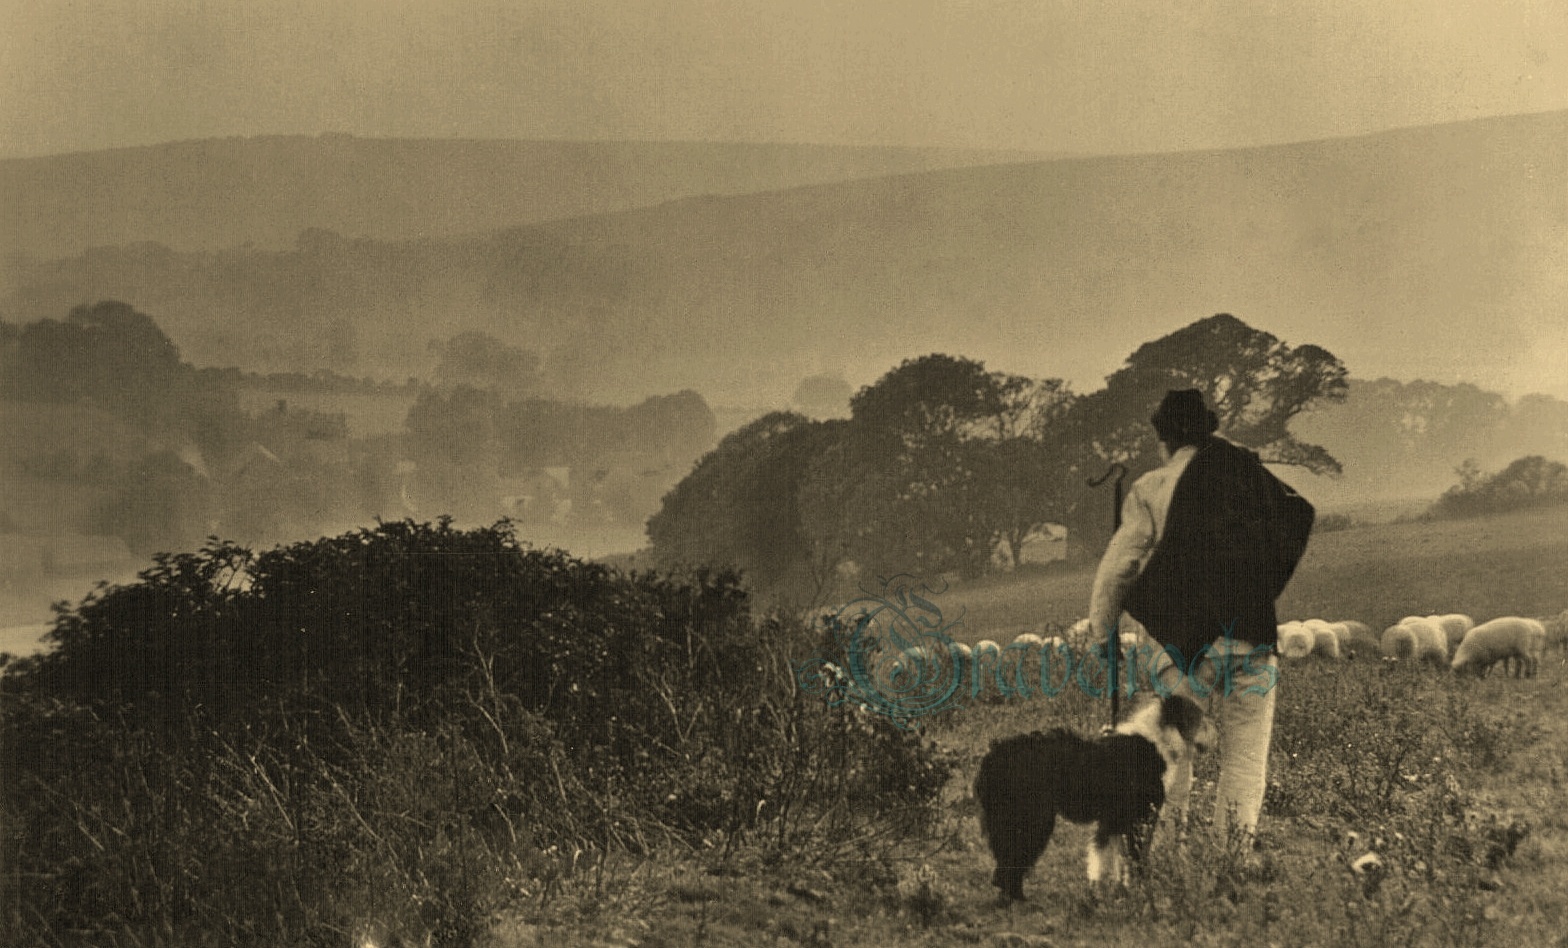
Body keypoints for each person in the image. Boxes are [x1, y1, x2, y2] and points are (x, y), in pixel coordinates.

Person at [1086, 388, 1313, 843]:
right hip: (1250, 634)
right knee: (1246, 757)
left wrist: (1102, 632)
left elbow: (1120, 567)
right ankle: (1231, 855)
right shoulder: (1247, 476)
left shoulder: (1152, 486)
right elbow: (1296, 516)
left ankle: (1166, 849)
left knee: (1172, 750)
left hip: (1183, 641)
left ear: (1163, 439)